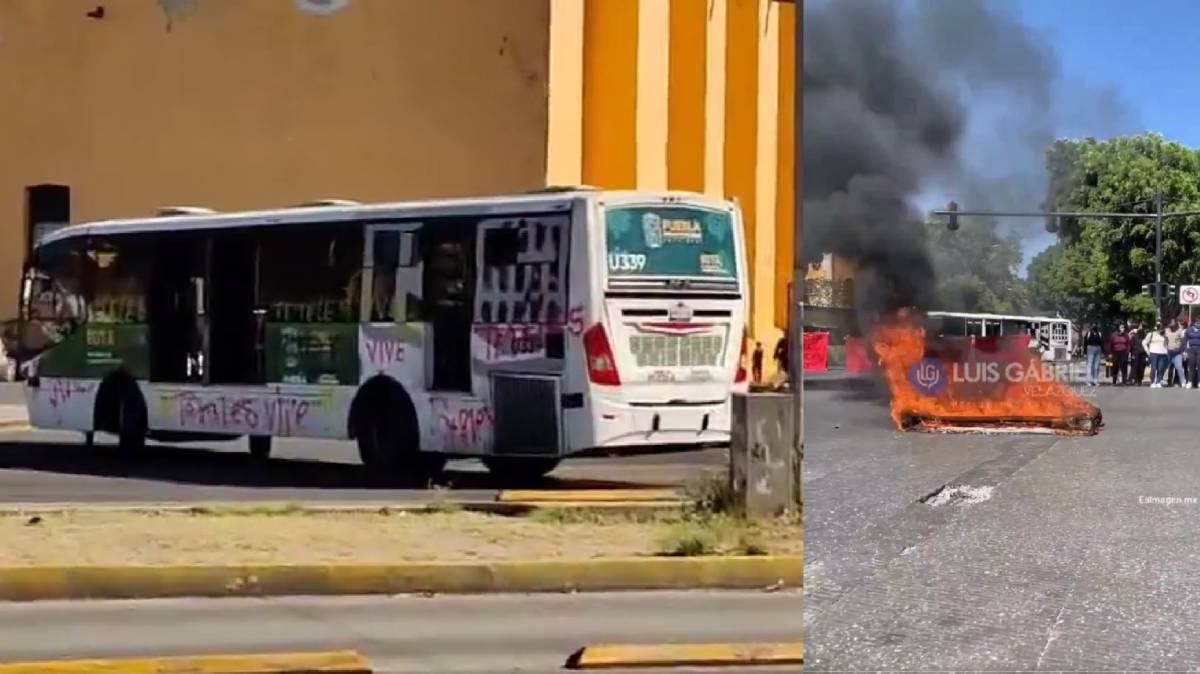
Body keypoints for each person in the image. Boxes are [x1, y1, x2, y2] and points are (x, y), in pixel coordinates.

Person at [1144, 322, 1171, 388]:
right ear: (1157, 328)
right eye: (1161, 329)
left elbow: (1166, 346)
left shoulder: (1165, 336)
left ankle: (1158, 381)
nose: (1162, 330)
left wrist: (1167, 353)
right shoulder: (1151, 334)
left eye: (1163, 329)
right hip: (1153, 353)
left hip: (1163, 353)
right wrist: (1148, 351)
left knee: (1160, 368)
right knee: (1153, 368)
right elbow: (1144, 343)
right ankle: (1152, 382)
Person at [1165, 318, 1186, 386]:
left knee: (1179, 367)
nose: (1172, 325)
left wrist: (1181, 350)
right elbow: (1165, 340)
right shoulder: (1166, 330)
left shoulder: (1180, 331)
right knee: (1169, 367)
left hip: (1177, 352)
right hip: (1169, 351)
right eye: (1171, 324)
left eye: (1173, 324)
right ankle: (1169, 381)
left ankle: (1182, 381)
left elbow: (1183, 341)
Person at [1130, 322, 1147, 386]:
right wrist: (1132, 354)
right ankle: (1135, 380)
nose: (1141, 328)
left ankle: (1140, 379)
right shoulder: (1135, 335)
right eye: (1140, 327)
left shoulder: (1145, 336)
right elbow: (1132, 345)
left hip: (1143, 353)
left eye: (1142, 327)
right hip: (1136, 353)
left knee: (1142, 367)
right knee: (1135, 366)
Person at [1186, 318, 1200, 388]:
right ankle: (1190, 382)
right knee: (1191, 366)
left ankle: (1199, 382)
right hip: (1191, 349)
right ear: (1194, 323)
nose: (1198, 324)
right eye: (1197, 322)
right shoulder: (1189, 330)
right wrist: (1185, 351)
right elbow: (1185, 340)